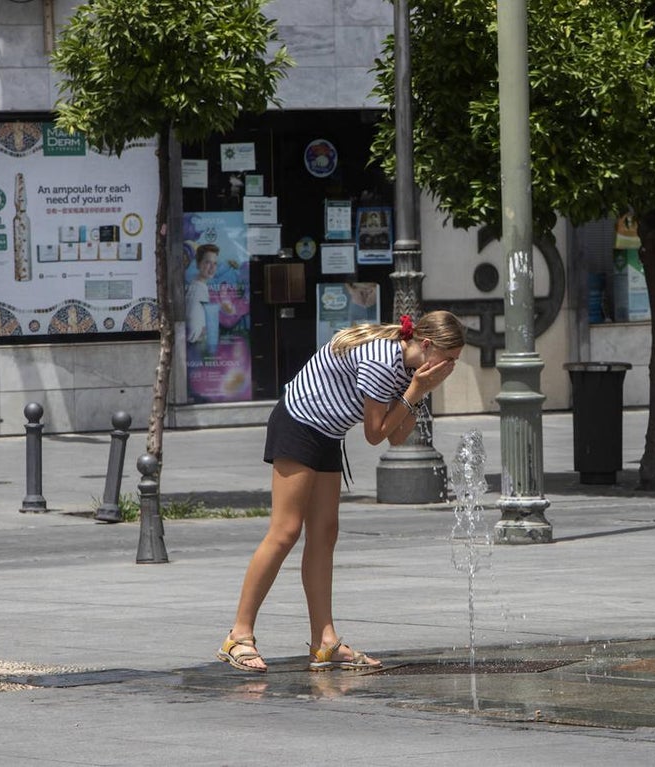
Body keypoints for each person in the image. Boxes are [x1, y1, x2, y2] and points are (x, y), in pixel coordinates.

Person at [217, 310, 467, 672]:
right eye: (450, 359)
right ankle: (238, 636)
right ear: (427, 346)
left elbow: (397, 436)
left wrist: (420, 390)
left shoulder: (410, 369)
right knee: (285, 531)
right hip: (298, 425)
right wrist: (417, 390)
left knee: (324, 535)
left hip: (327, 434)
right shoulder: (383, 361)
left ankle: (325, 642)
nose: (451, 368)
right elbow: (374, 433)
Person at [185, 244, 218, 350]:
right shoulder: (197, 290)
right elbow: (192, 332)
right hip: (196, 348)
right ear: (198, 264)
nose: (212, 267)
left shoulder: (201, 287)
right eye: (208, 262)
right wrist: (200, 334)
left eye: (215, 263)